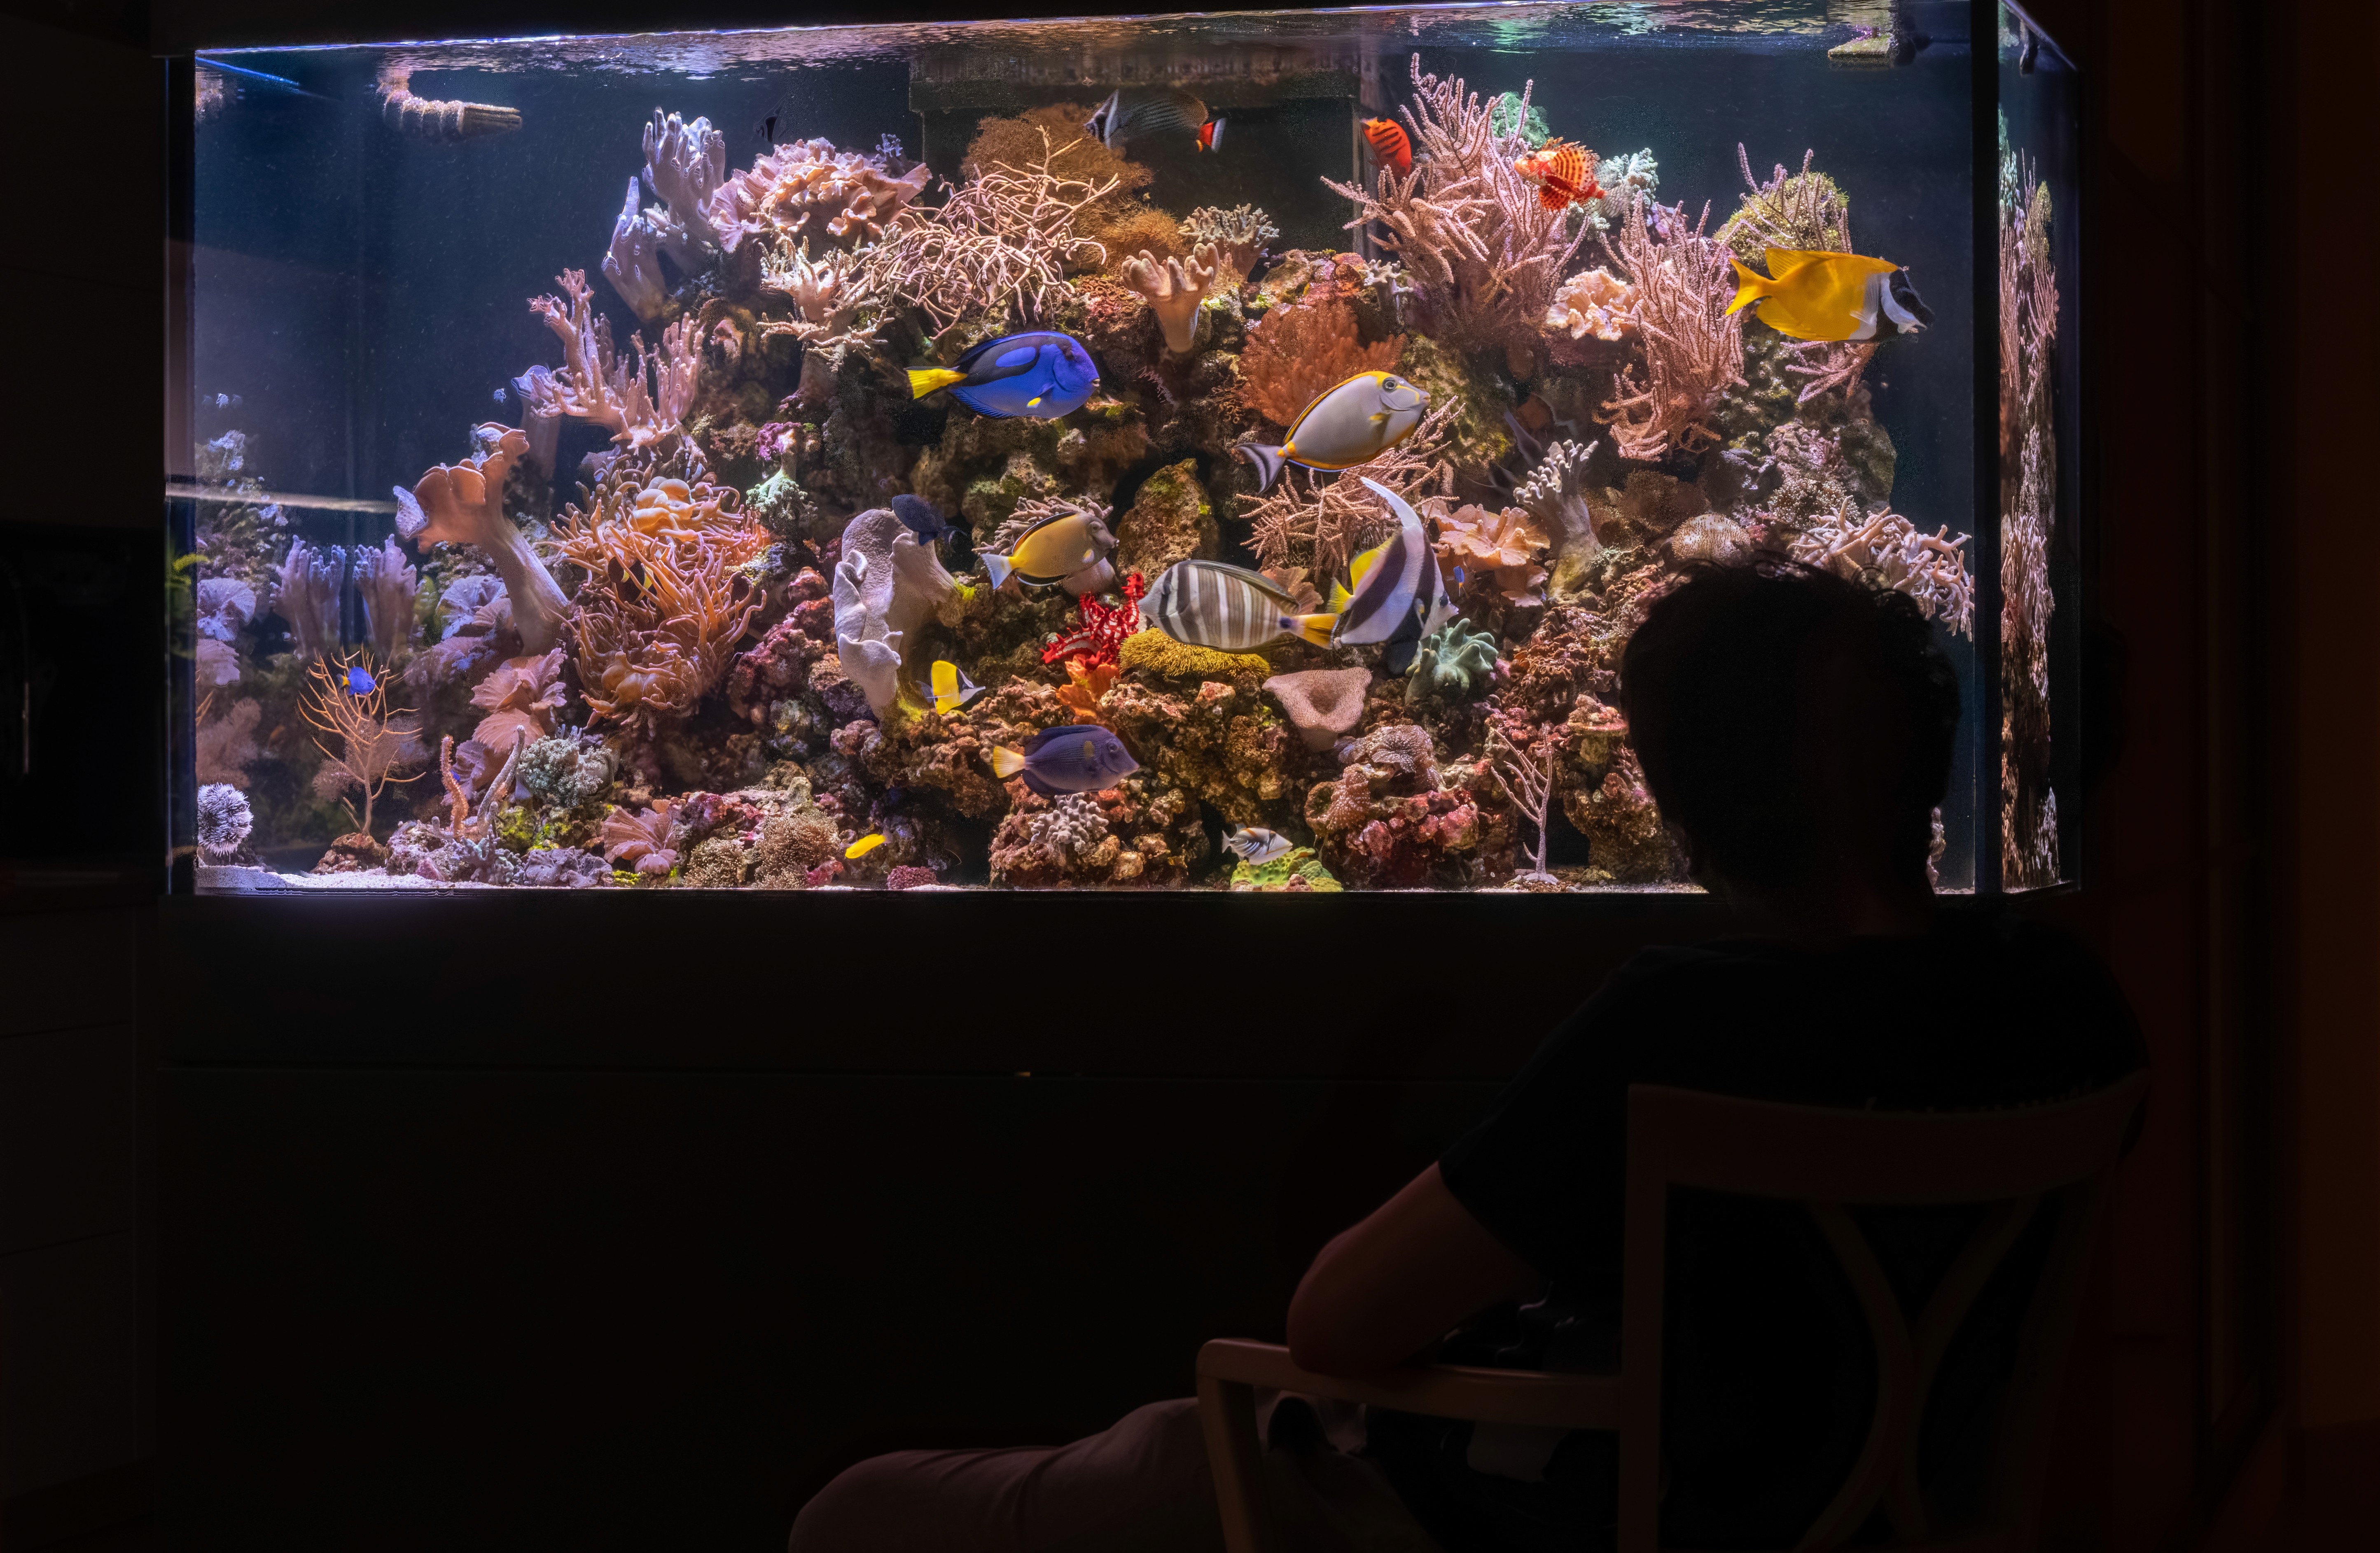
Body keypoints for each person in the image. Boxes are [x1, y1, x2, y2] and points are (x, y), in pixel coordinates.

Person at [792, 560, 2145, 1553]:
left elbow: (1337, 1324)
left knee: (855, 1517)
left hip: (1506, 1517)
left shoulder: (1680, 1024)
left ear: (1690, 815)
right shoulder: (2068, 1005)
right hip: (1853, 1518)